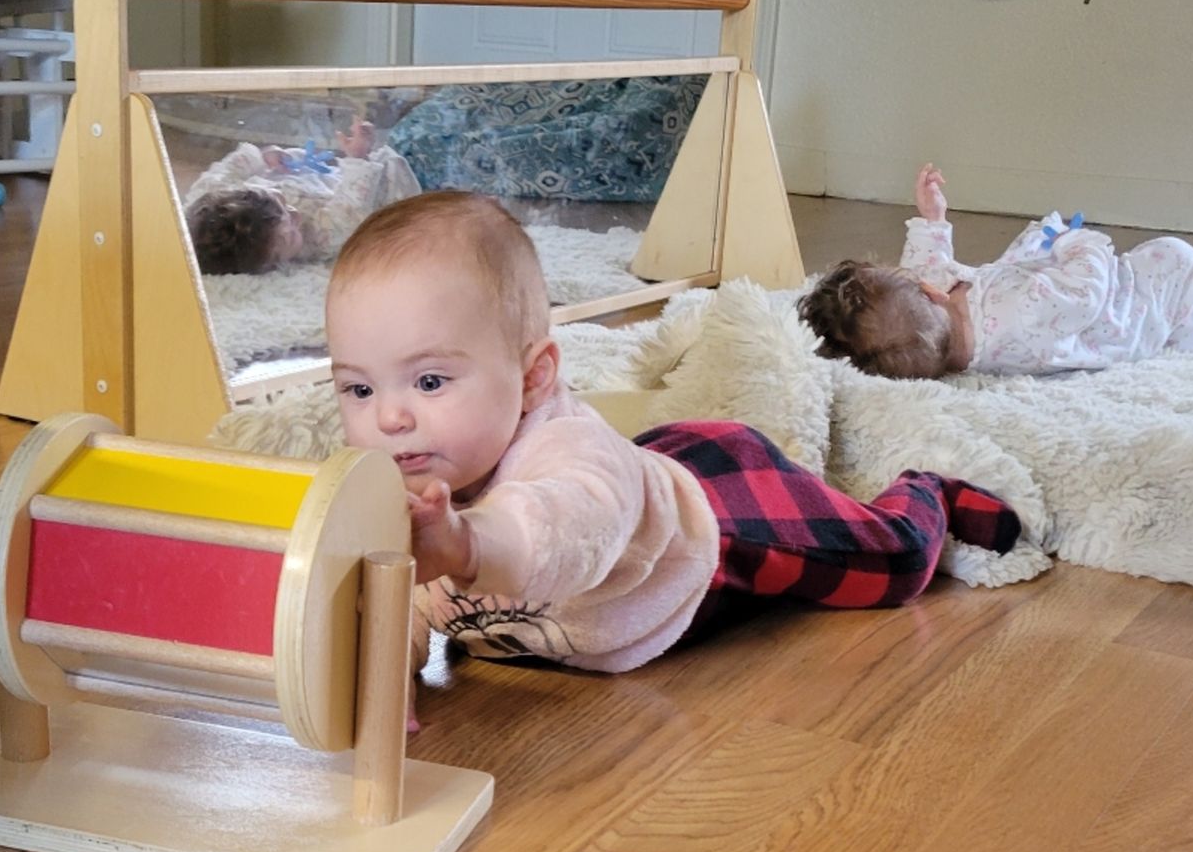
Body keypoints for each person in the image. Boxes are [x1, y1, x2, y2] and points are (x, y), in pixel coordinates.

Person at [322, 190, 1022, 674]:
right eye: (359, 388)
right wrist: (380, 680)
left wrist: (467, 544)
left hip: (717, 522)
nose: (389, 418)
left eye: (431, 382)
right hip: (643, 475)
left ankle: (927, 491)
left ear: (534, 378)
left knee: (889, 566)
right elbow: (393, 593)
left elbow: (566, 530)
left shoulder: (561, 461)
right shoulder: (407, 479)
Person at [798, 164, 1193, 379]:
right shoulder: (1024, 313)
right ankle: (1182, 333)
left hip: (1048, 293)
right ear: (929, 294)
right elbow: (1087, 292)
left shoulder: (931, 337)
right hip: (1111, 311)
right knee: (1175, 255)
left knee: (1036, 255)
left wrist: (933, 218)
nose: (921, 274)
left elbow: (926, 266)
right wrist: (1076, 242)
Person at [185, 121, 421, 274]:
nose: (296, 216)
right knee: (398, 173)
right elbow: (352, 205)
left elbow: (237, 163)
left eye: (283, 204)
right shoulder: (320, 239)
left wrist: (268, 155)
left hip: (320, 176)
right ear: (272, 263)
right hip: (374, 191)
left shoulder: (212, 192)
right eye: (290, 237)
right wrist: (359, 157)